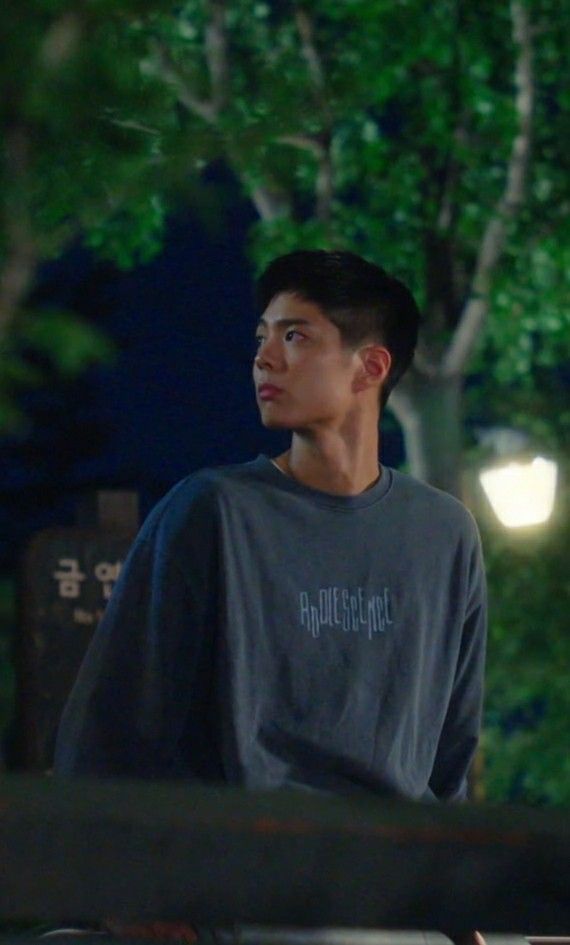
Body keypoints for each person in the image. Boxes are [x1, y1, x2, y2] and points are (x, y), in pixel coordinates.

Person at [54, 250, 488, 945]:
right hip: (240, 880)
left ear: (370, 367)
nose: (264, 359)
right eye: (261, 336)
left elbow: (449, 757)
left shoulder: (443, 534)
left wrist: (456, 907)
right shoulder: (212, 511)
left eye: (295, 336)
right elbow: (109, 729)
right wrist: (137, 903)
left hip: (385, 887)